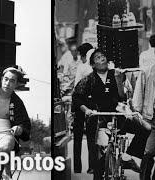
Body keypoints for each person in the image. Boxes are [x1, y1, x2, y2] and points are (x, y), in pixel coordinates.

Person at [72, 49, 149, 180]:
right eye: (97, 58)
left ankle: (127, 156)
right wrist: (87, 110)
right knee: (98, 155)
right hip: (98, 118)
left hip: (119, 115)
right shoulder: (88, 80)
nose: (101, 59)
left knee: (145, 128)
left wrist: (119, 80)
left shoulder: (117, 74)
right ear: (92, 65)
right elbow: (77, 97)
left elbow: (123, 95)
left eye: (103, 56)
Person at [133, 34, 155, 180]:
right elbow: (138, 96)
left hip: (150, 116)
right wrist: (138, 112)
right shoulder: (147, 71)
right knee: (148, 151)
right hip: (152, 117)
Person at [72, 43, 95, 174]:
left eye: (81, 56)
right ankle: (92, 166)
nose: (81, 58)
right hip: (92, 106)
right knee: (92, 137)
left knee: (78, 138)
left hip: (80, 105)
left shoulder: (81, 67)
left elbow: (76, 87)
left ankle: (77, 168)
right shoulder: (96, 68)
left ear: (85, 55)